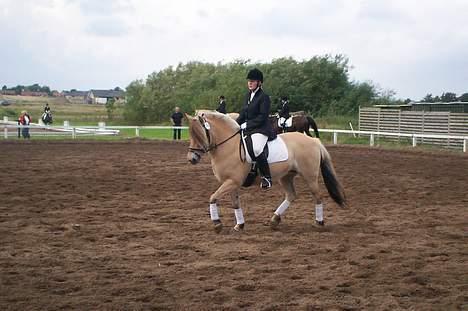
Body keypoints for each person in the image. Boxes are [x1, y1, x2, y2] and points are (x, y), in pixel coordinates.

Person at [236, 68, 276, 189]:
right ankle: (250, 171)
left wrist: (247, 124)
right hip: (250, 129)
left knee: (257, 149)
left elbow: (262, 117)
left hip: (261, 129)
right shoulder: (248, 96)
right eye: (249, 81)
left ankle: (266, 177)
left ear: (259, 82)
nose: (250, 83)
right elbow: (243, 113)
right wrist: (235, 124)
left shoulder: (264, 97)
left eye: (252, 81)